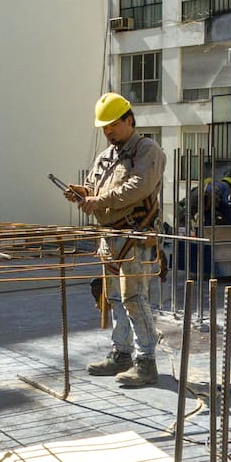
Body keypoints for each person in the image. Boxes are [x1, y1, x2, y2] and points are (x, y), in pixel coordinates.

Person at [64, 92, 166, 388]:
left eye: (113, 125)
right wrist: (82, 192)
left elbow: (138, 187)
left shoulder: (147, 151)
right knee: (114, 298)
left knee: (134, 298)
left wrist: (99, 201)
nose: (109, 131)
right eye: (105, 127)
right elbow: (93, 185)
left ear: (129, 120)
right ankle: (121, 353)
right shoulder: (106, 156)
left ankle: (146, 361)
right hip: (110, 237)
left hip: (136, 236)